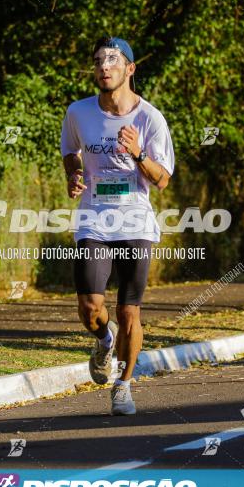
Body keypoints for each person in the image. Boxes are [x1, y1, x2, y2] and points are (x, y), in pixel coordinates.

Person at [60, 37, 174, 415]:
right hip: (94, 217)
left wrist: (138, 153)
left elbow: (162, 179)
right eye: (98, 62)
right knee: (90, 307)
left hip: (135, 220)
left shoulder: (150, 118)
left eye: (112, 61)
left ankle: (123, 384)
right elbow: (70, 153)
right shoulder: (78, 112)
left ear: (130, 69)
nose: (103, 68)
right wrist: (74, 175)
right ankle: (102, 338)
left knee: (129, 312)